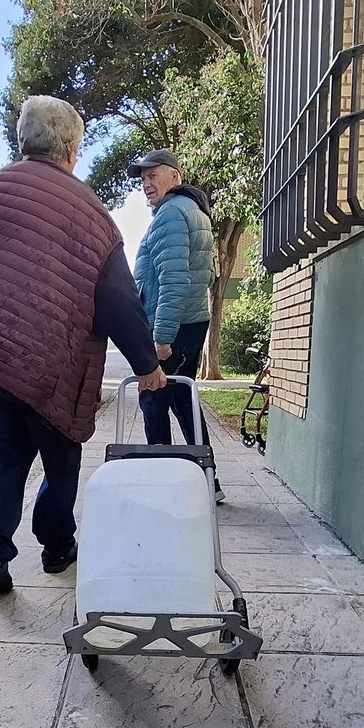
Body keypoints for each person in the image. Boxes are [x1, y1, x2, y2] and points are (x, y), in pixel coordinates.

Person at [0, 96, 166, 594]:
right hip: (54, 361)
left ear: (23, 142)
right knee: (61, 459)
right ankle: (55, 547)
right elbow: (118, 297)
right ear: (71, 148)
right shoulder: (90, 214)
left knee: (5, 455)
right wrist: (146, 364)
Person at [127, 150, 223, 501]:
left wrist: (161, 337)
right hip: (190, 323)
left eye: (153, 176)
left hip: (173, 327)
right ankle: (207, 482)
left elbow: (174, 279)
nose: (146, 184)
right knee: (184, 402)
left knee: (153, 399)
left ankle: (163, 483)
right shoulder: (192, 211)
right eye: (143, 179)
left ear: (175, 178)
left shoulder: (170, 214)